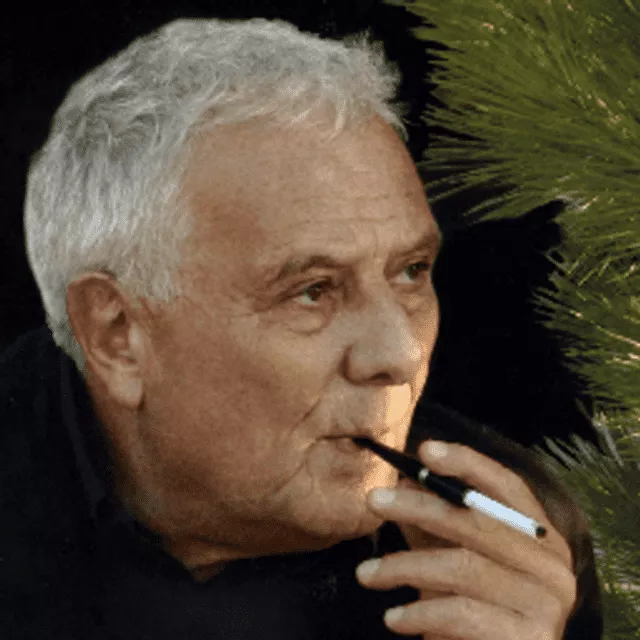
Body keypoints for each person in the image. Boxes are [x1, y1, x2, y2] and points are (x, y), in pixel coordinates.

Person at [0, 17, 601, 639]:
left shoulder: (510, 544)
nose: (399, 354)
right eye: (313, 291)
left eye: (410, 272)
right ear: (118, 334)